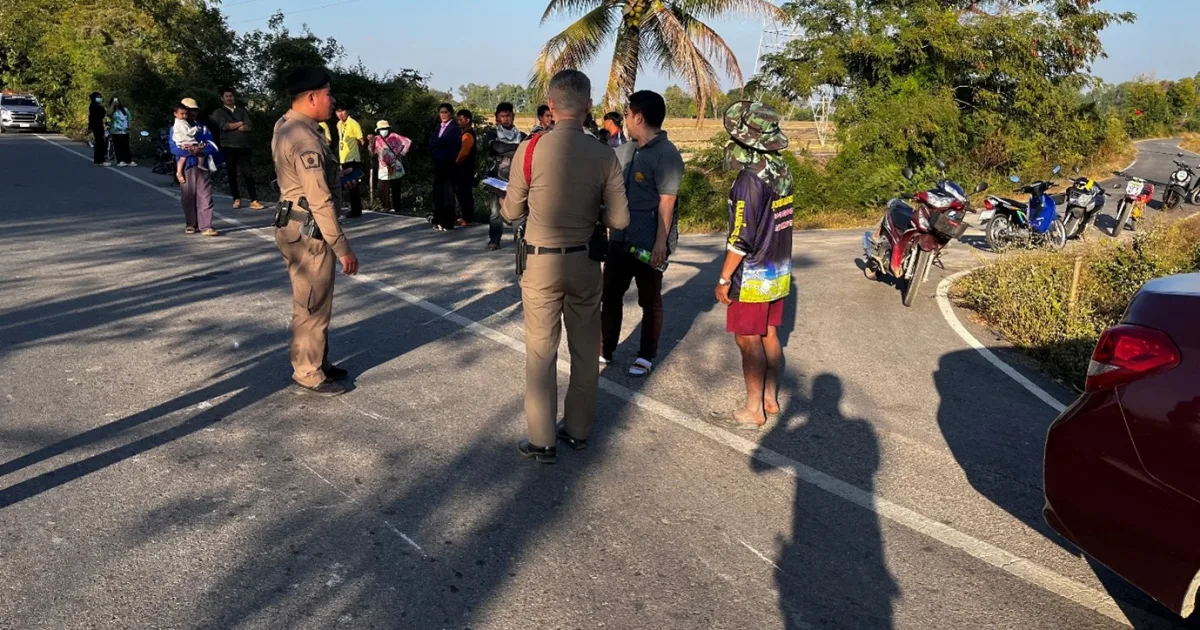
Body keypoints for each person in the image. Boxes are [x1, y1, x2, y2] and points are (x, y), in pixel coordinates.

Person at [502, 69, 630, 464]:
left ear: (551, 105)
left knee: (541, 352)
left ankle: (542, 442)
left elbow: (511, 212)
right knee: (586, 350)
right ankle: (577, 430)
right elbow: (620, 220)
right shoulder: (605, 154)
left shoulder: (530, 149)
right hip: (586, 261)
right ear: (589, 106)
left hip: (540, 262)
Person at [271, 67, 359, 396]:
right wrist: (342, 248)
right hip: (310, 231)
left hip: (292, 222)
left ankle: (317, 359)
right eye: (328, 94)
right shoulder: (305, 138)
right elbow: (320, 200)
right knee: (311, 304)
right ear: (311, 97)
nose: (332, 100)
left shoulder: (286, 125)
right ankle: (308, 371)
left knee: (313, 301)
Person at [713, 101, 794, 430]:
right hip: (779, 268)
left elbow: (741, 236)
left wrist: (724, 278)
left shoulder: (749, 180)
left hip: (753, 274)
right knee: (769, 333)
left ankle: (753, 408)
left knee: (748, 339)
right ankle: (770, 398)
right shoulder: (781, 168)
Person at [600, 90, 684, 377]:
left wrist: (661, 243)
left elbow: (667, 202)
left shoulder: (667, 155)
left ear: (638, 117)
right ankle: (605, 348)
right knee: (610, 295)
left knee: (650, 301)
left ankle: (645, 356)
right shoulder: (625, 150)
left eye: (626, 114)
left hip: (649, 244)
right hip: (619, 238)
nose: (624, 119)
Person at [169, 99, 221, 237]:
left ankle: (206, 225)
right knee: (188, 196)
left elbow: (212, 145)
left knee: (205, 195)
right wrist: (191, 151)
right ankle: (191, 223)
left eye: (195, 110)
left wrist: (201, 150)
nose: (192, 113)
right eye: (189, 110)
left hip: (202, 165)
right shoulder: (175, 128)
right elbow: (174, 148)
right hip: (187, 165)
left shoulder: (202, 128)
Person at [210, 87, 264, 210]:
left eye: (231, 96)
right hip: (229, 145)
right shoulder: (219, 112)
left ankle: (254, 200)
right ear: (222, 98)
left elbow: (248, 126)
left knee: (248, 173)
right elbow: (224, 126)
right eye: (226, 96)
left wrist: (236, 125)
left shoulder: (242, 111)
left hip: (243, 145)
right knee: (231, 173)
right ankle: (236, 198)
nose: (229, 98)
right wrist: (240, 123)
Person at [482, 102, 526, 250]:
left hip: (516, 178)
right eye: (502, 116)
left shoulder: (522, 135)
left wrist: (506, 149)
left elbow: (523, 151)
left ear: (513, 116)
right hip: (497, 179)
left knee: (518, 210)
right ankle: (494, 240)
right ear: (497, 118)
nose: (506, 119)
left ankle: (519, 240)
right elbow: (497, 147)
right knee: (495, 212)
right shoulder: (492, 134)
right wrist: (517, 148)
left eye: (508, 115)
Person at [429, 103, 462, 231]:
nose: (443, 115)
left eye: (446, 112)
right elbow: (431, 141)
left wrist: (438, 143)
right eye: (441, 112)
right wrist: (437, 144)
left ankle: (448, 222)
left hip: (449, 165)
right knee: (438, 193)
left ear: (451, 114)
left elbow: (446, 142)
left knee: (448, 194)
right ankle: (438, 220)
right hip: (438, 164)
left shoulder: (454, 128)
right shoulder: (439, 127)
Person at [369, 119, 411, 213]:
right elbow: (371, 153)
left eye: (385, 128)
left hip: (395, 164)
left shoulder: (394, 136)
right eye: (381, 129)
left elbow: (408, 141)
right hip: (383, 166)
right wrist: (371, 142)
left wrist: (402, 153)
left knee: (396, 187)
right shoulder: (376, 139)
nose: (383, 130)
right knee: (382, 188)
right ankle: (385, 207)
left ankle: (397, 207)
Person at [335, 103, 365, 218]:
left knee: (353, 185)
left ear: (347, 111)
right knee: (347, 185)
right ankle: (353, 208)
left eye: (342, 111)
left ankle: (356, 210)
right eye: (338, 112)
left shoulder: (353, 123)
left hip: (352, 158)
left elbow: (361, 140)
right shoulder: (339, 124)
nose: (340, 114)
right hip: (344, 158)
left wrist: (357, 153)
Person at [454, 108, 478, 226]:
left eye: (461, 120)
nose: (459, 122)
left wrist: (455, 163)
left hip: (464, 168)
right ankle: (467, 217)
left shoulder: (467, 135)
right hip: (466, 168)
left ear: (467, 120)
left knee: (463, 193)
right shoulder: (466, 133)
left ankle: (467, 218)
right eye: (458, 120)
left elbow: (464, 153)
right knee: (464, 192)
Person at [108, 97, 136, 167]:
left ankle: (128, 161)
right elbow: (109, 114)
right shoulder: (112, 110)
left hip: (124, 131)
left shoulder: (125, 110)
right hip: (115, 131)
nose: (116, 102)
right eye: (114, 101)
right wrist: (112, 105)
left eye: (117, 101)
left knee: (126, 147)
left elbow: (129, 118)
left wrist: (129, 127)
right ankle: (120, 161)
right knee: (118, 147)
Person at [88, 92, 109, 166]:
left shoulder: (93, 105)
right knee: (100, 143)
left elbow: (91, 117)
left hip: (96, 125)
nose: (99, 98)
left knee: (98, 142)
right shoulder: (95, 106)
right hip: (97, 125)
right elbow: (101, 114)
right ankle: (101, 160)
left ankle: (97, 160)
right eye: (98, 97)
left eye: (100, 97)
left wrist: (90, 127)